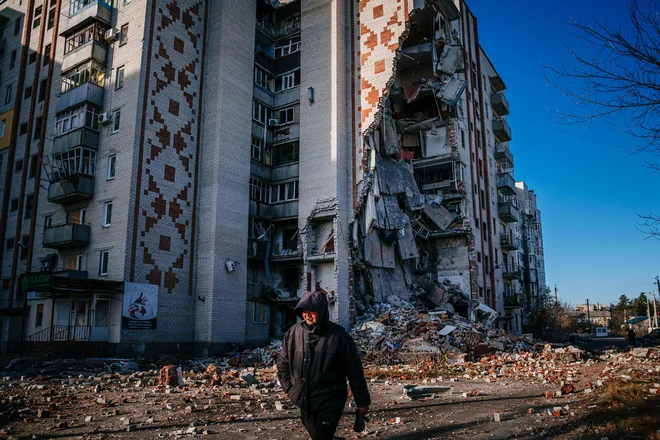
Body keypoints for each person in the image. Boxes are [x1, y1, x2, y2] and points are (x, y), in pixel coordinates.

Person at [277, 291, 371, 440]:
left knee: (321, 436)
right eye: (304, 311)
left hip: (330, 400)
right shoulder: (293, 333)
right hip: (304, 400)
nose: (307, 315)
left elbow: (355, 371)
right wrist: (289, 388)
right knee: (317, 436)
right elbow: (282, 363)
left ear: (321, 312)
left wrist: (362, 402)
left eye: (312, 311)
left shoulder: (338, 336)